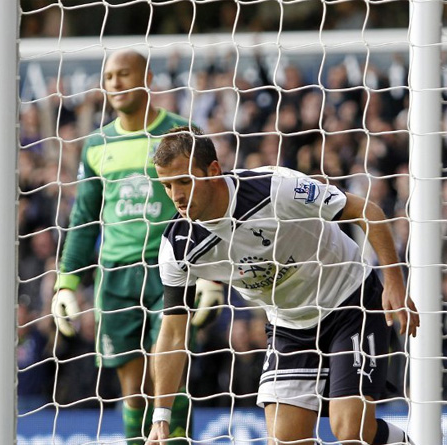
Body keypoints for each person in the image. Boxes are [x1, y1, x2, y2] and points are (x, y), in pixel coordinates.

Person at [147, 126, 420, 444]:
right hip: (289, 324)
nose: (177, 196)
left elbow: (367, 212)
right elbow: (173, 333)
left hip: (350, 299)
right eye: (167, 185)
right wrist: (161, 416)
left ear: (213, 170)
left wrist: (393, 282)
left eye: (184, 181)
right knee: (285, 439)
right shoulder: (178, 246)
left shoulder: (276, 187)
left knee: (351, 431)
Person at [50, 50, 224, 443]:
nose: (115, 82)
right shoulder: (96, 145)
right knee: (135, 391)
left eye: (124, 74)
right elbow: (84, 218)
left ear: (146, 77)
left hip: (171, 269)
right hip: (115, 276)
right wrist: (67, 283)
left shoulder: (181, 133)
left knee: (168, 379)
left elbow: (212, 205)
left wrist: (213, 275)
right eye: (108, 76)